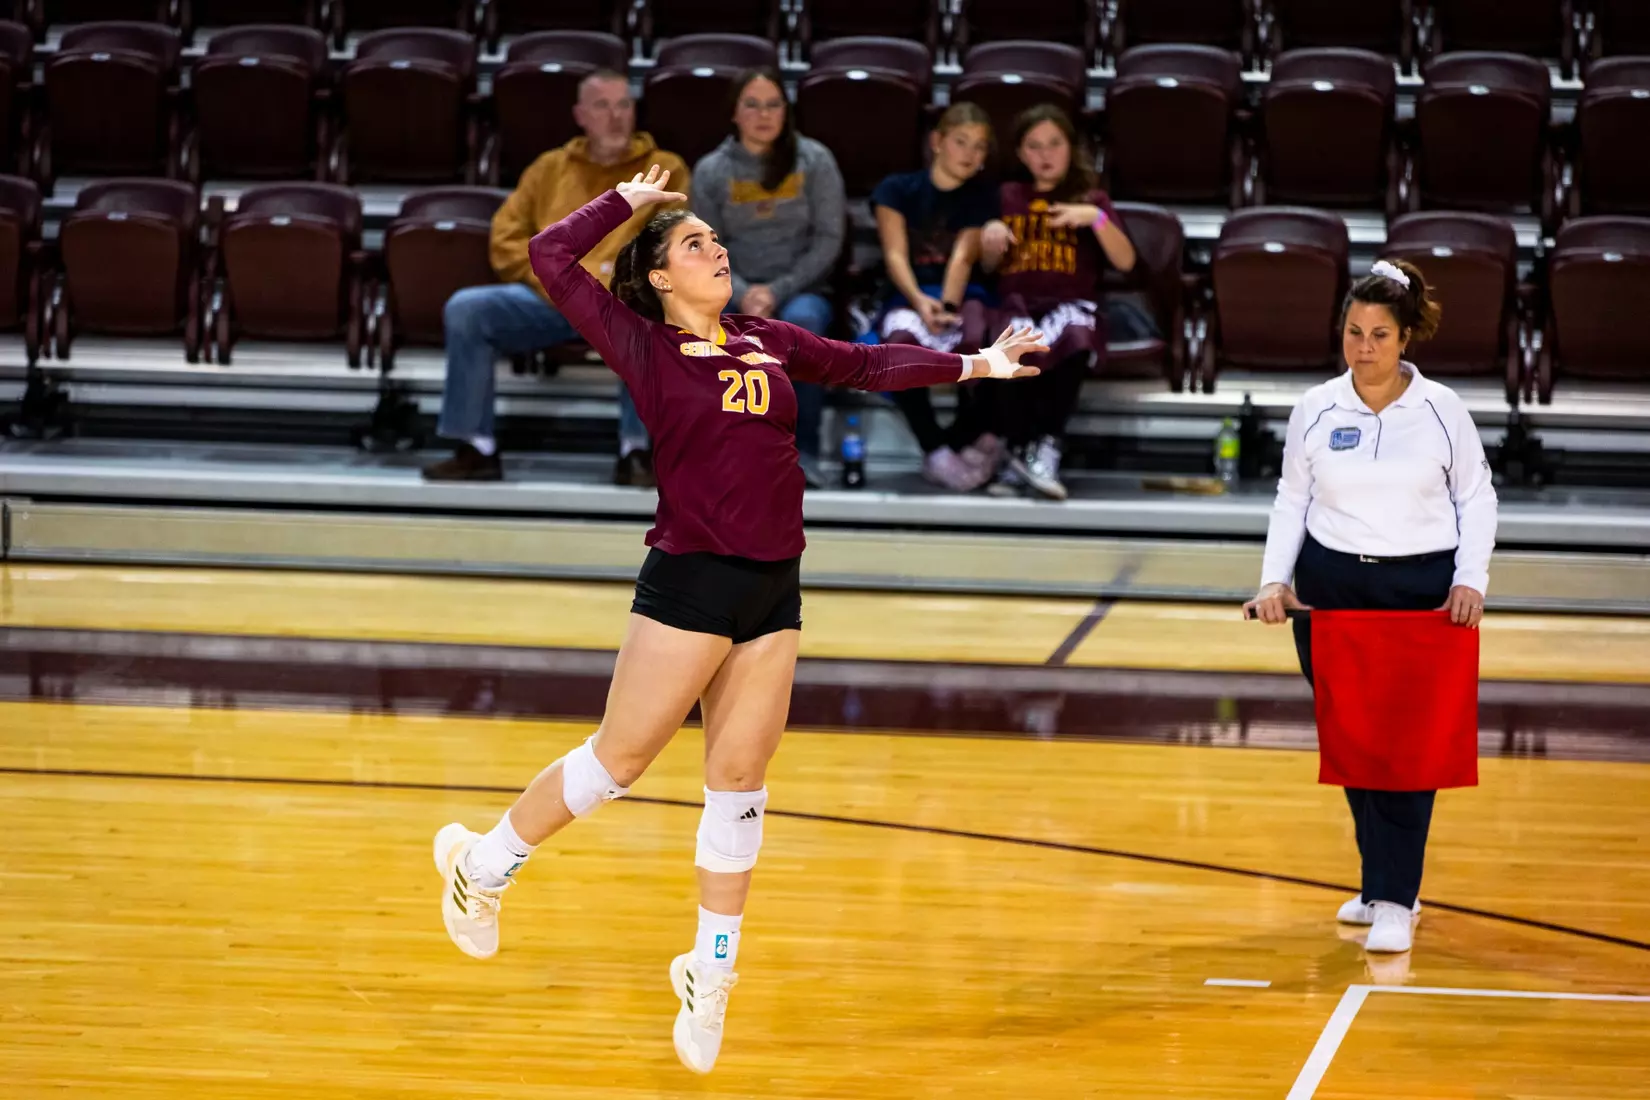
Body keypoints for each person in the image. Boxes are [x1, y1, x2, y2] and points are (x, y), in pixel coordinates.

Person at [430, 166, 1046, 1075]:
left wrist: (977, 364)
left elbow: (866, 363)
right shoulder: (641, 341)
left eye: (716, 240)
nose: (717, 250)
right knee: (619, 764)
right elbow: (549, 256)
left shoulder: (765, 337)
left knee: (741, 785)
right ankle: (482, 869)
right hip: (692, 578)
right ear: (659, 278)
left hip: (773, 586)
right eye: (696, 244)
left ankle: (710, 971)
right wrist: (627, 204)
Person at [1242, 259, 1498, 955]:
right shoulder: (1315, 408)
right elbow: (1291, 500)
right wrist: (1273, 581)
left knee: (1408, 750)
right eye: (1354, 332)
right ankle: (1379, 880)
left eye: (1379, 334)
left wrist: (1470, 578)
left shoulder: (1442, 410)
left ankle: (1396, 897)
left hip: (1420, 594)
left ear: (1405, 337)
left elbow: (1476, 497)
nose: (1364, 347)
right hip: (1331, 594)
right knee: (1354, 742)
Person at [420, 70, 690, 487]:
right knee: (467, 309)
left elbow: (674, 241)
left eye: (623, 105)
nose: (615, 116)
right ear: (580, 115)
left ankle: (638, 451)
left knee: (651, 309)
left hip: (620, 302)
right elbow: (506, 238)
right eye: (602, 106)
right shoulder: (549, 168)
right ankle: (475, 447)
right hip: (551, 298)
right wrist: (555, 280)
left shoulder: (665, 168)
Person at [692, 67, 846, 489]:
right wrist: (744, 293)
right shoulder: (711, 170)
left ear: (786, 111)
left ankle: (802, 452)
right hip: (728, 288)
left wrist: (776, 291)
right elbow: (703, 246)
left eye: (773, 105)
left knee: (801, 326)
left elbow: (828, 240)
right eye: (753, 105)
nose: (764, 115)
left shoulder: (815, 160)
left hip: (800, 290)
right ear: (734, 113)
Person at [977, 104, 1138, 501]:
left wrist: (1095, 219)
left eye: (1054, 144)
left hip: (1070, 303)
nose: (1045, 155)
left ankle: (1046, 447)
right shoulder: (1005, 196)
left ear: (1071, 148)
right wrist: (990, 240)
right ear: (1020, 153)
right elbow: (986, 267)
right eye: (1034, 146)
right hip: (1018, 302)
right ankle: (1017, 451)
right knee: (1009, 342)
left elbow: (1126, 262)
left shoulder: (1091, 199)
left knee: (1076, 336)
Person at [870, 103, 1003, 492]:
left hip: (962, 293)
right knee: (899, 348)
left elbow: (963, 258)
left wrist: (946, 307)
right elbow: (895, 254)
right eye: (961, 142)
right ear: (937, 142)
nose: (970, 154)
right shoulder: (897, 189)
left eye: (979, 146)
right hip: (910, 292)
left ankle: (961, 440)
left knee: (984, 346)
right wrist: (918, 300)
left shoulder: (983, 196)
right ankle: (935, 447)